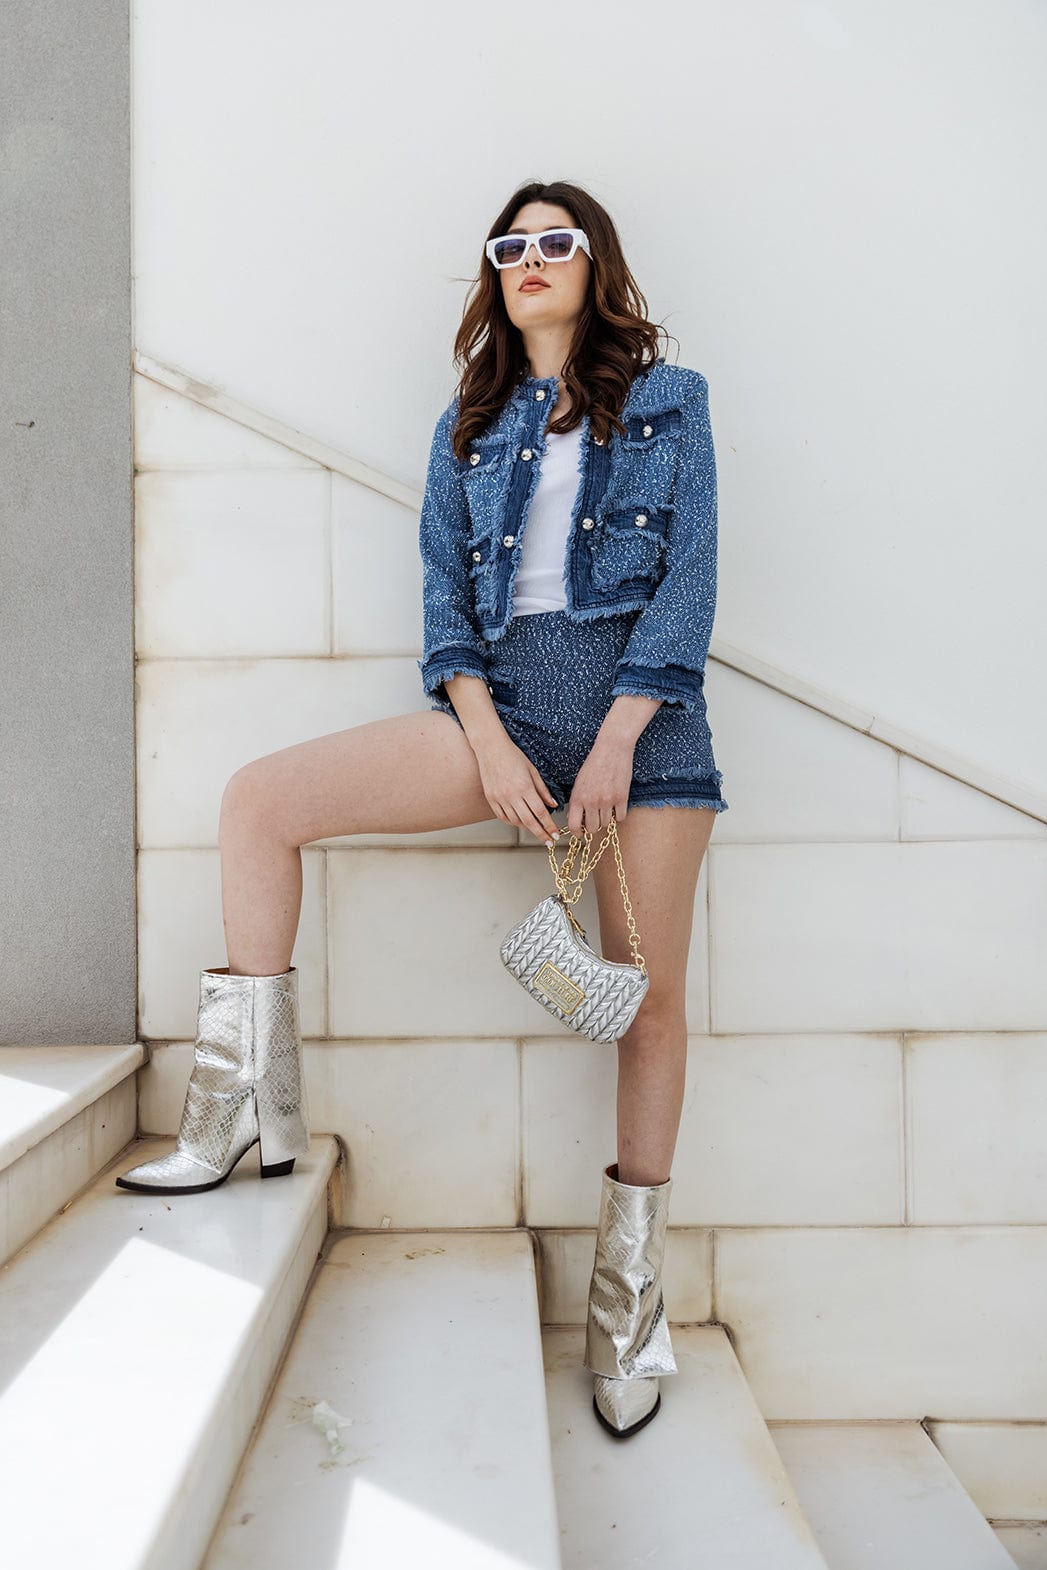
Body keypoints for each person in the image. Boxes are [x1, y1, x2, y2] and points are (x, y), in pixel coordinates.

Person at [115, 178, 728, 1440]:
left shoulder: (673, 401)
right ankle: (240, 1110)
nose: (531, 258)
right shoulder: (469, 424)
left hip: (646, 734)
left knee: (649, 1004)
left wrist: (617, 739)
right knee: (259, 801)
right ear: (496, 274)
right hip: (502, 719)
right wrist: (490, 747)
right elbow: (448, 610)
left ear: (595, 262)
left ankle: (628, 1307)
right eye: (512, 246)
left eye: (556, 241)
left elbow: (690, 585)